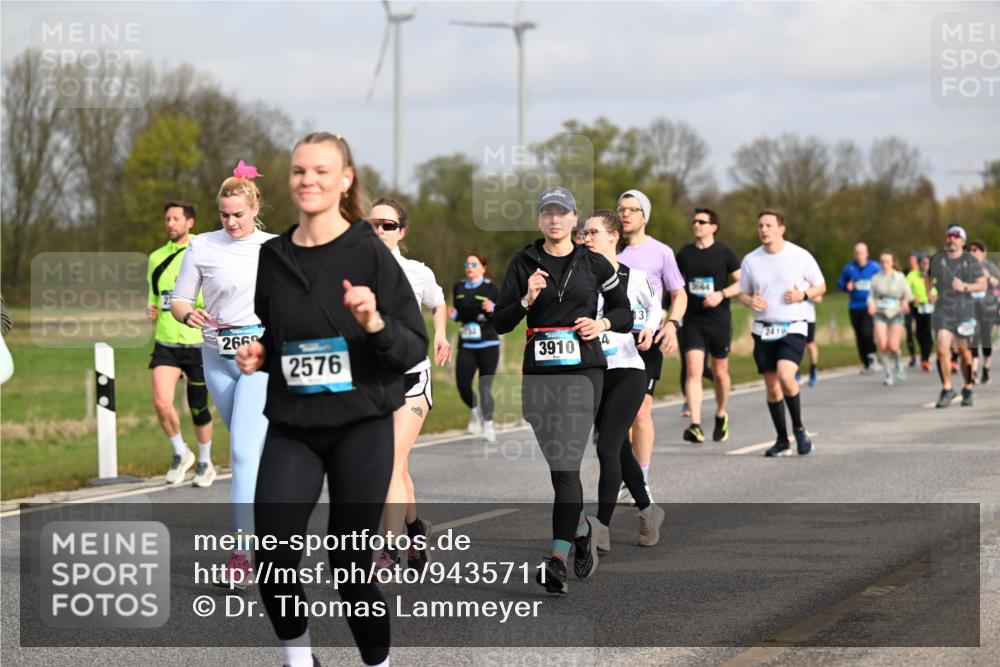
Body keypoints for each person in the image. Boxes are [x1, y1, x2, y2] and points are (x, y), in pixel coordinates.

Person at [237, 132, 427, 667]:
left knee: (349, 563)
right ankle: (300, 661)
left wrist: (373, 321)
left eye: (321, 171)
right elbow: (282, 337)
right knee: (272, 553)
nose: (308, 180)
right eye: (299, 171)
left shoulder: (367, 250)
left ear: (345, 180)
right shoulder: (272, 255)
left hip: (361, 424)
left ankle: (378, 664)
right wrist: (260, 354)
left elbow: (410, 345)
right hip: (294, 423)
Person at [494, 185, 632, 594]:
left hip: (584, 369)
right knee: (559, 466)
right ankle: (581, 526)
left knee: (567, 463)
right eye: (547, 213)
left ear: (575, 221)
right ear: (540, 220)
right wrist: (525, 299)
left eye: (562, 213)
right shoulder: (524, 261)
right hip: (539, 372)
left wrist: (602, 324)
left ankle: (556, 558)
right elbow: (500, 322)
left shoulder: (593, 263)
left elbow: (623, 311)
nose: (555, 219)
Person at [171, 162, 275, 584]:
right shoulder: (202, 246)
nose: (231, 222)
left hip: (260, 357)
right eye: (225, 215)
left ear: (254, 209)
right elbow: (178, 300)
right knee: (254, 454)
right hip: (215, 356)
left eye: (239, 214)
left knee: (243, 455)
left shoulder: (276, 248)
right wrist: (188, 313)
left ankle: (242, 556)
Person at [369, 197, 451, 572]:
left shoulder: (417, 272)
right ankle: (416, 531)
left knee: (388, 463)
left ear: (402, 232)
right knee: (397, 470)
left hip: (413, 379)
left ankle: (388, 548)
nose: (379, 230)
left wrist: (441, 335)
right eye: (372, 224)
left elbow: (438, 303)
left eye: (387, 225)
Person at [579, 210, 665, 551]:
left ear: (613, 236)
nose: (586, 238)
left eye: (593, 232)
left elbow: (655, 308)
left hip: (628, 370)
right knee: (620, 450)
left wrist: (650, 326)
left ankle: (601, 526)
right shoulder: (581, 277)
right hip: (595, 371)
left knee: (606, 446)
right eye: (584, 233)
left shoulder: (634, 276)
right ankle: (648, 510)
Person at [615, 189, 686, 501]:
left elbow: (679, 295)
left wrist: (672, 324)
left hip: (646, 341)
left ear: (644, 216)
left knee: (641, 412)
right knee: (620, 416)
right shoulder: (608, 250)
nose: (626, 214)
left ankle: (640, 479)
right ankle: (624, 474)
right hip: (613, 342)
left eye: (633, 209)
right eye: (621, 209)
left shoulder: (661, 252)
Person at [738, 210, 826, 457]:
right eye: (760, 226)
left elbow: (821, 285)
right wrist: (750, 300)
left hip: (793, 326)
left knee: (786, 376)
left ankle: (799, 428)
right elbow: (743, 292)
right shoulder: (751, 260)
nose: (764, 230)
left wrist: (803, 295)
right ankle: (781, 439)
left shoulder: (800, 256)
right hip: (763, 330)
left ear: (781, 229)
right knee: (772, 387)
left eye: (768, 225)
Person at [147, 200, 214, 487]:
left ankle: (206, 461)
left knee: (198, 407)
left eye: (175, 219)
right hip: (166, 342)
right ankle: (180, 452)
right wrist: (151, 309)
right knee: (162, 402)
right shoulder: (155, 257)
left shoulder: (204, 250)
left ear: (190, 223)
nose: (170, 223)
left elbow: (214, 293)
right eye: (167, 219)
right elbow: (155, 296)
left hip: (198, 343)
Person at [675, 208, 741, 444]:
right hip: (692, 320)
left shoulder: (725, 253)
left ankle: (721, 414)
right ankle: (695, 425)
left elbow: (742, 283)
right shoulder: (685, 253)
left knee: (721, 373)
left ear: (714, 227)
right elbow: (674, 284)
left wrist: (721, 294)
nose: (696, 225)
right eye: (694, 221)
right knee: (694, 370)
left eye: (701, 221)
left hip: (719, 320)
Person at [929, 225, 987, 407]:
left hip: (964, 311)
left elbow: (982, 285)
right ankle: (947, 388)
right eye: (949, 236)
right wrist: (931, 291)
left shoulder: (970, 261)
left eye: (955, 236)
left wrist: (964, 286)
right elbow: (929, 278)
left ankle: (967, 387)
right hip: (943, 310)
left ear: (962, 241)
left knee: (964, 353)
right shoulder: (939, 260)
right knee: (942, 348)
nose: (951, 239)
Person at [449, 252, 501, 442]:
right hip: (467, 344)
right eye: (467, 264)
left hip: (488, 343)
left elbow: (502, 313)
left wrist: (494, 308)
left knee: (484, 386)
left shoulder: (492, 288)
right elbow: (462, 313)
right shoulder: (459, 287)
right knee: (463, 385)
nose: (469, 267)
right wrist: (455, 316)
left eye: (474, 264)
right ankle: (475, 411)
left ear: (483, 267)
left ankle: (488, 424)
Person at [868, 250, 913, 386]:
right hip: (880, 314)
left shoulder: (900, 277)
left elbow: (907, 294)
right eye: (882, 262)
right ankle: (888, 374)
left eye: (887, 261)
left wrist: (905, 302)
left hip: (895, 313)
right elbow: (871, 295)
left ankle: (899, 363)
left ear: (892, 262)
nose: (884, 264)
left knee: (893, 346)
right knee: (882, 345)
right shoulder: (876, 278)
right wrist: (871, 304)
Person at [837, 242, 880, 374]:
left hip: (869, 305)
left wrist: (877, 301)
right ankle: (865, 362)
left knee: (867, 333)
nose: (859, 255)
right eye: (857, 253)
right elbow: (840, 283)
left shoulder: (874, 267)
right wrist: (846, 287)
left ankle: (872, 356)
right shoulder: (849, 268)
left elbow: (883, 282)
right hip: (854, 306)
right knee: (859, 335)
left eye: (862, 252)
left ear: (866, 253)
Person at [968, 240, 1000, 384]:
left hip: (987, 307)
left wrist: (988, 276)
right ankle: (973, 371)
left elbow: (997, 284)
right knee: (973, 338)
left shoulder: (990, 266)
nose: (972, 252)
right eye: (970, 250)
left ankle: (985, 369)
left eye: (975, 250)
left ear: (983, 252)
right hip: (971, 307)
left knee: (986, 339)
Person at [907, 253, 935, 371]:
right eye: (922, 263)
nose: (925, 265)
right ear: (918, 264)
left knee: (928, 333)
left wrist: (935, 296)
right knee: (919, 333)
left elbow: (940, 289)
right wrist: (913, 297)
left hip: (931, 307)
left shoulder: (934, 276)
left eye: (927, 263)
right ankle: (923, 354)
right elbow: (905, 289)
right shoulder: (912, 275)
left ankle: (925, 358)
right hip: (917, 307)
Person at [903, 252, 920, 367]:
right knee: (908, 330)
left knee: (920, 331)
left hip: (921, 306)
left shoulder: (923, 272)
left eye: (914, 260)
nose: (911, 263)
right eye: (910, 260)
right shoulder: (904, 273)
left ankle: (924, 354)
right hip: (909, 306)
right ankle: (912, 356)